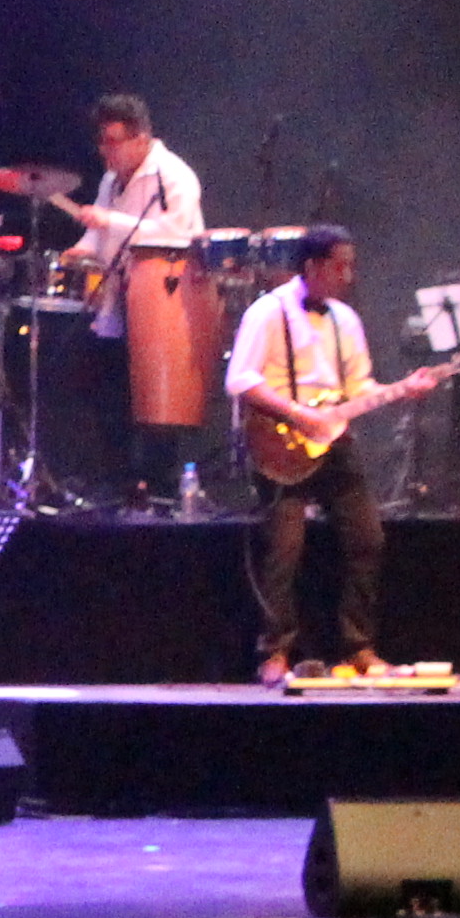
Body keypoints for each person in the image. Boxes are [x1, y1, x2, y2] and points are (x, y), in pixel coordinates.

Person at [231, 225, 386, 679]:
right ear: (313, 266)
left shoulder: (346, 320)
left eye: (350, 266)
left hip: (334, 443)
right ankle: (275, 652)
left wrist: (400, 390)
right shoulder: (268, 312)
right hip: (281, 443)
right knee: (285, 548)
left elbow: (359, 387)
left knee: (368, 538)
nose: (348, 276)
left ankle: (358, 646)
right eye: (340, 266)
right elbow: (240, 379)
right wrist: (297, 414)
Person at [44, 91, 209, 496]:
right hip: (119, 297)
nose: (106, 151)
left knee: (156, 400)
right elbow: (99, 235)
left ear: (141, 138)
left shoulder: (174, 176)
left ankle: (159, 487)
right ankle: (117, 482)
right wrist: (82, 249)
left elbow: (179, 234)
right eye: (101, 142)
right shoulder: (110, 180)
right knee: (108, 389)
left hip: (163, 301)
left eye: (113, 142)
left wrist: (110, 221)